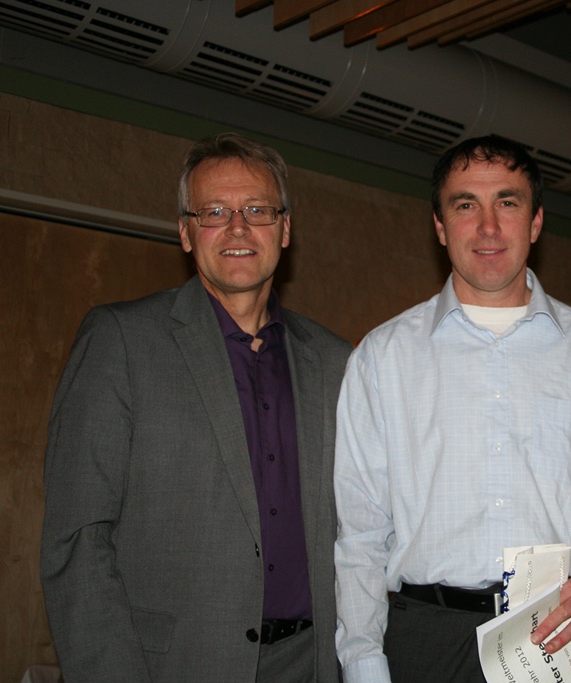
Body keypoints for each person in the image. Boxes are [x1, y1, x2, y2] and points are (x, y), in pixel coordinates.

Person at [334, 135, 571, 683]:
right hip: (427, 642)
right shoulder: (382, 357)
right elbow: (361, 531)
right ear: (440, 227)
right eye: (466, 205)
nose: (488, 227)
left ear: (535, 222)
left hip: (565, 633)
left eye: (507, 203)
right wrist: (364, 661)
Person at [40, 133, 353, 683]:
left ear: (285, 229)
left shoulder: (337, 361)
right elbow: (79, 538)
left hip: (311, 663)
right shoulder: (121, 340)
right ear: (185, 232)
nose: (238, 227)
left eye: (257, 209)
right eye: (214, 212)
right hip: (171, 666)